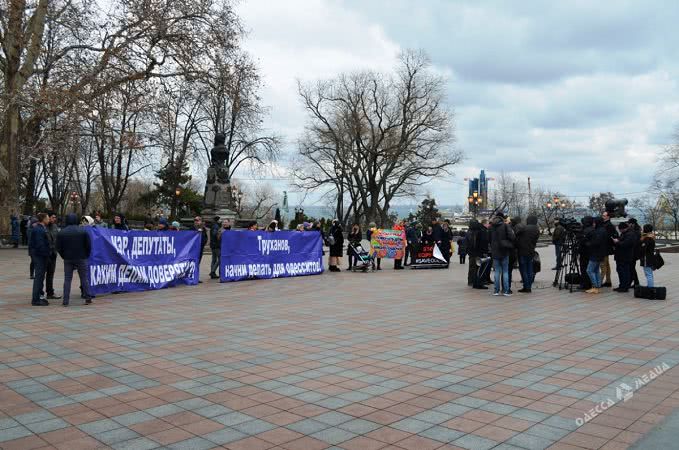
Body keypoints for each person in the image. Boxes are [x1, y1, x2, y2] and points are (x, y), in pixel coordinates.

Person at [56, 213, 92, 306]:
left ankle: (65, 300)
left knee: (67, 279)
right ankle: (88, 297)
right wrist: (86, 255)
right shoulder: (83, 231)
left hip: (68, 258)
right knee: (84, 278)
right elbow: (88, 246)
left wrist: (64, 256)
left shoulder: (62, 232)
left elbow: (58, 247)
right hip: (81, 257)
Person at [489, 213, 515, 296]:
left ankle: (496, 291)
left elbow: (488, 239)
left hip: (495, 251)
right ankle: (506, 291)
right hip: (504, 251)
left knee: (496, 271)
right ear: (502, 218)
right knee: (505, 271)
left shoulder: (491, 226)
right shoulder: (505, 226)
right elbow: (512, 237)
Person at [30, 213, 51, 306]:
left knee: (40, 277)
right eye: (47, 218)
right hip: (40, 256)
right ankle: (36, 299)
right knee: (39, 277)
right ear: (43, 219)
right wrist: (46, 254)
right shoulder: (39, 229)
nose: (49, 219)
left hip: (40, 256)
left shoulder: (41, 228)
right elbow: (40, 245)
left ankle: (38, 296)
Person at [515, 215, 540, 293]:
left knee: (523, 270)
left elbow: (517, 237)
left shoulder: (525, 228)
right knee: (529, 269)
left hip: (522, 251)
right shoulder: (536, 229)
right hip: (531, 251)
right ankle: (529, 286)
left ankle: (526, 287)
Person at [585, 217, 608, 294]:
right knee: (596, 270)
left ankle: (595, 286)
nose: (593, 224)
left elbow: (596, 242)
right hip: (601, 253)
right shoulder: (603, 230)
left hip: (595, 253)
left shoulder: (598, 231)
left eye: (594, 222)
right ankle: (598, 286)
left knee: (589, 270)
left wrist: (588, 243)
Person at [613, 222, 635, 293]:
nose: (620, 231)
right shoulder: (624, 233)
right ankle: (621, 285)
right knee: (620, 271)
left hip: (625, 256)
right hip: (620, 256)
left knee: (625, 271)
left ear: (624, 228)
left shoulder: (630, 234)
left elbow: (625, 244)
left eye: (620, 229)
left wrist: (617, 242)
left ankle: (625, 287)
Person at [45, 212, 61, 300]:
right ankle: (39, 293)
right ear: (48, 217)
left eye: (55, 217)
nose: (54, 219)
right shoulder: (43, 227)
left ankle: (50, 292)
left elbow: (57, 239)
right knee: (41, 275)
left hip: (53, 254)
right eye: (52, 217)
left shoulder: (55, 227)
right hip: (45, 255)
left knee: (50, 274)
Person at [600, 211, 618, 287]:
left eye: (604, 216)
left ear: (608, 217)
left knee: (603, 265)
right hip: (607, 248)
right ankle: (608, 281)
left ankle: (599, 281)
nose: (602, 217)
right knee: (607, 265)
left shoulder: (608, 225)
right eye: (602, 215)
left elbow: (607, 237)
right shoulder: (607, 224)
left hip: (605, 248)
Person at [578, 216, 594, 291]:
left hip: (585, 253)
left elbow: (584, 241)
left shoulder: (587, 230)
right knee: (586, 268)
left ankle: (586, 284)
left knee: (584, 268)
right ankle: (587, 283)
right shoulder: (591, 229)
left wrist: (582, 239)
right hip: (588, 252)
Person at [507, 217, 521, 292]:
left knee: (505, 271)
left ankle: (506, 287)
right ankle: (507, 287)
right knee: (508, 271)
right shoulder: (515, 229)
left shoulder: (508, 228)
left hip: (507, 252)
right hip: (512, 252)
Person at [627, 218, 642, 288]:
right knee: (631, 267)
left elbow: (635, 243)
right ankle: (636, 282)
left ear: (632, 224)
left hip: (634, 252)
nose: (628, 224)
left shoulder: (635, 232)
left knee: (631, 267)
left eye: (629, 223)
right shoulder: (636, 230)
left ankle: (633, 282)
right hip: (634, 252)